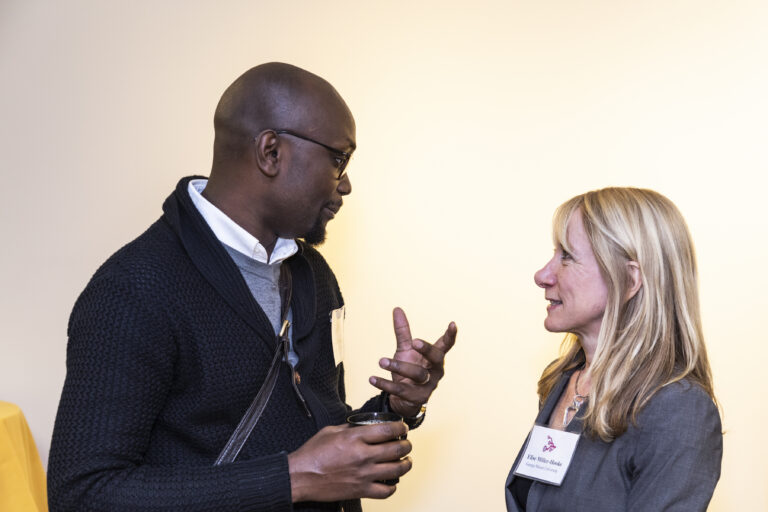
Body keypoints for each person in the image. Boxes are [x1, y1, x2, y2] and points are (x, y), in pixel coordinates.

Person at [48, 62, 457, 512]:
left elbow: (312, 425)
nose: (346, 183)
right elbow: (83, 494)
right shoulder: (134, 290)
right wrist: (292, 477)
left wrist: (395, 405)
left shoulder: (313, 274)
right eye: (339, 158)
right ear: (271, 152)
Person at [505, 187, 722, 511]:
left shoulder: (678, 408)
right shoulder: (563, 381)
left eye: (567, 256)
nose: (542, 275)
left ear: (630, 280)